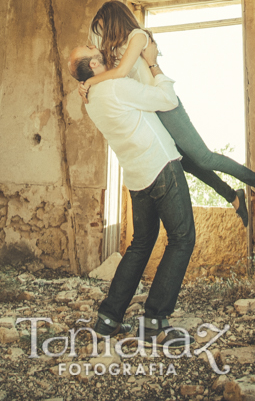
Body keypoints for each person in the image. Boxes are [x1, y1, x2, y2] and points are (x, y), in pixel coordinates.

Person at [81, 0, 255, 225]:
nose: (102, 34)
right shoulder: (116, 51)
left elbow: (119, 73)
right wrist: (87, 84)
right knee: (186, 163)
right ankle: (233, 196)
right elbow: (112, 78)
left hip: (168, 107)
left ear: (114, 20)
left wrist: (89, 81)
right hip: (152, 111)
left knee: (204, 158)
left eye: (103, 27)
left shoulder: (137, 37)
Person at [68, 39, 195, 347]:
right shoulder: (114, 87)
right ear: (95, 65)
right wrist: (153, 64)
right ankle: (154, 321)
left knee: (140, 244)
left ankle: (109, 319)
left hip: (137, 179)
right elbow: (167, 100)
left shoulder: (91, 99)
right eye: (87, 49)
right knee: (182, 239)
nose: (89, 43)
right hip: (161, 166)